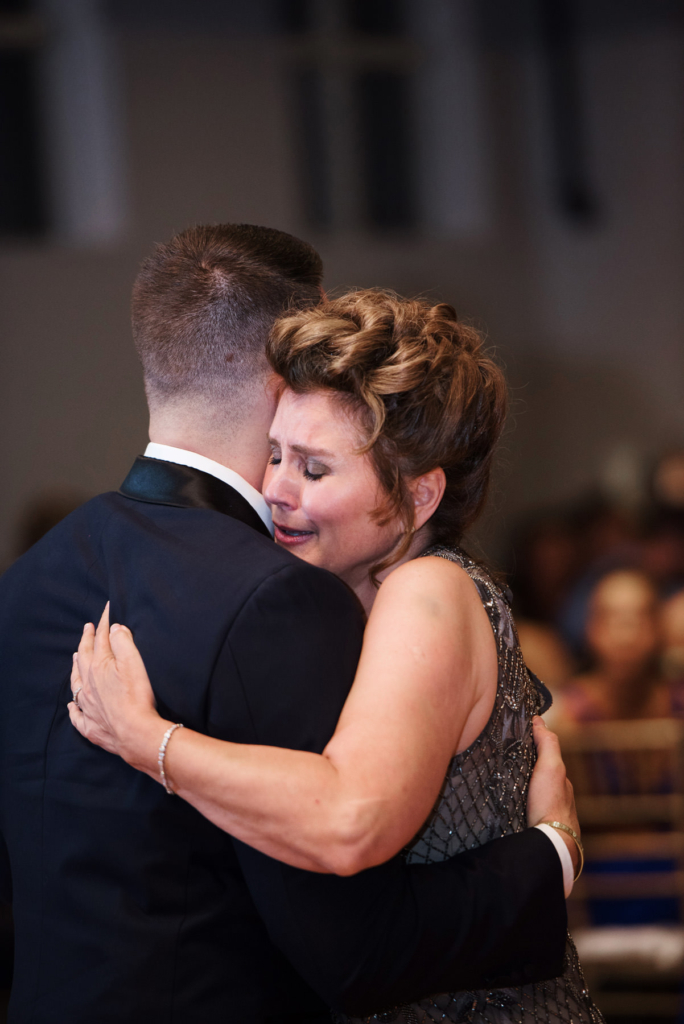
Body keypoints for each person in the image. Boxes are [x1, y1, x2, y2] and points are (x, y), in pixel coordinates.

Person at [67, 277, 594, 1023]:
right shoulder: (339, 595)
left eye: (314, 470)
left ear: (419, 497)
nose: (276, 489)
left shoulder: (429, 592)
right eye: (275, 455)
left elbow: (349, 820)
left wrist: (147, 739)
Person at [556, 568, 684, 725]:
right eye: (611, 621)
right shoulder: (568, 712)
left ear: (658, 628)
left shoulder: (678, 704)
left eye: (638, 621)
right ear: (590, 629)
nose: (625, 637)